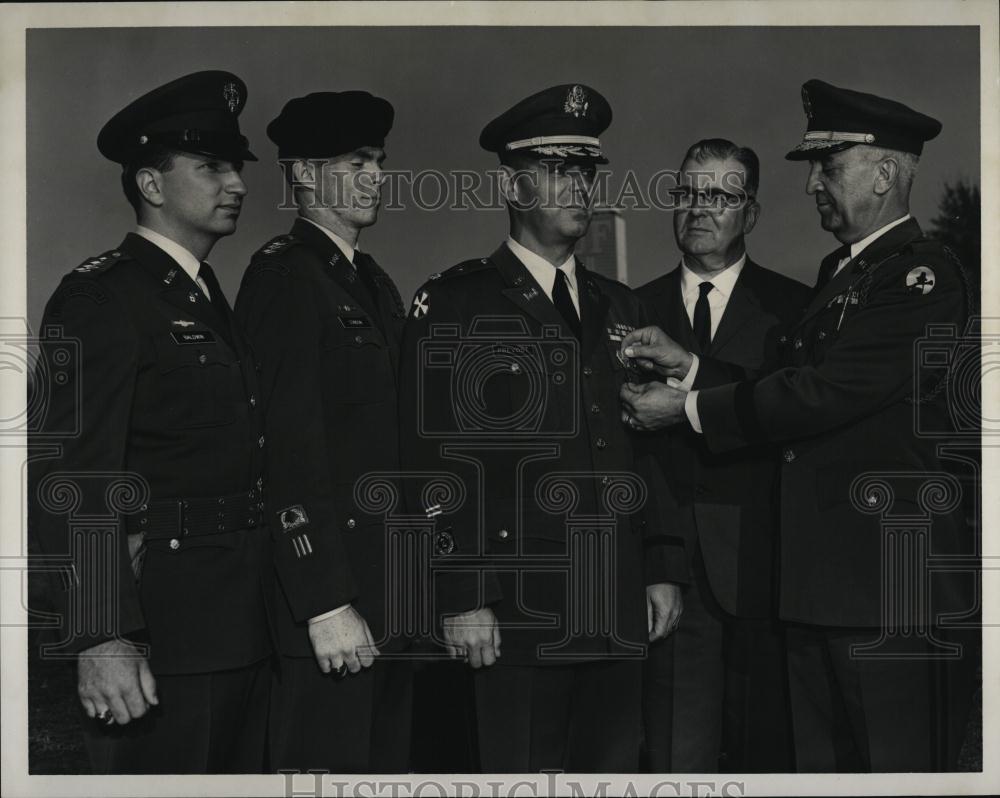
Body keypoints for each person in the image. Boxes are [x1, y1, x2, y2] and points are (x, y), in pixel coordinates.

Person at [620, 79, 972, 772]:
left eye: (829, 167)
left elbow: (822, 393)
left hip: (882, 594)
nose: (813, 184)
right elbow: (780, 388)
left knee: (890, 774)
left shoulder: (918, 278)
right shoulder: (845, 277)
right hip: (821, 594)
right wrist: (693, 368)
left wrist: (686, 404)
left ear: (886, 172)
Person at [398, 84, 687, 773]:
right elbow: (431, 460)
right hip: (517, 612)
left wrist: (662, 565)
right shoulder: (459, 301)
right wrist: (462, 594)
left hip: (615, 601)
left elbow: (648, 450)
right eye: (558, 168)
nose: (578, 186)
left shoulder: (621, 306)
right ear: (512, 182)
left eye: (587, 170)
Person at [29, 71, 271, 773]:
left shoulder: (203, 295)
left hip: (240, 630)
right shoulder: (103, 298)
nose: (238, 184)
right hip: (159, 642)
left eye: (237, 166)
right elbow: (74, 474)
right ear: (152, 184)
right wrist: (102, 637)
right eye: (212, 166)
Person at [235, 90, 412, 773]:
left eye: (379, 160)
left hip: (390, 597)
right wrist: (323, 600)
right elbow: (284, 449)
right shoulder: (284, 277)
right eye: (356, 160)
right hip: (334, 607)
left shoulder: (369, 280)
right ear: (304, 175)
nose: (376, 175)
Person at [636, 138, 809, 772]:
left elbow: (783, 410)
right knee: (679, 761)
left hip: (774, 576)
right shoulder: (629, 309)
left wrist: (693, 378)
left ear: (752, 213)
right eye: (686, 194)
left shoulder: (794, 310)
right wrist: (658, 560)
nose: (699, 209)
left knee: (773, 760)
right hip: (672, 581)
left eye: (720, 196)